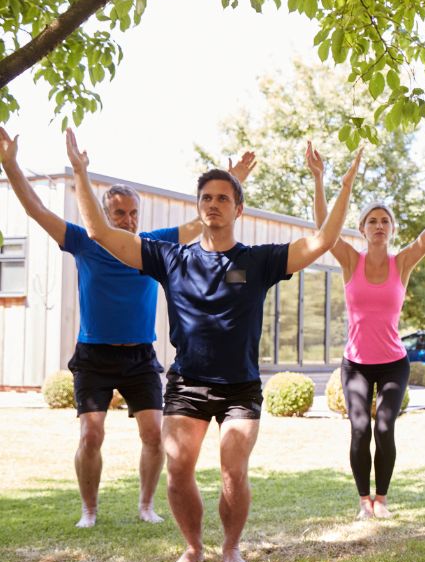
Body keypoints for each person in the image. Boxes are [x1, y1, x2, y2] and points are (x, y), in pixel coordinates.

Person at [67, 128, 359, 562]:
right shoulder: (170, 258)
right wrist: (81, 174)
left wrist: (342, 187)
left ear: (237, 208)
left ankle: (231, 547)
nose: (214, 204)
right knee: (179, 469)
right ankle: (193, 547)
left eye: (224, 198)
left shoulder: (258, 261)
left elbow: (320, 241)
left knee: (232, 472)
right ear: (199, 206)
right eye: (207, 197)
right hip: (188, 383)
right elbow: (101, 234)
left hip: (240, 386)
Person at [0, 124, 254, 528]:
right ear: (104, 212)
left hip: (140, 355)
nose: (129, 219)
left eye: (133, 212)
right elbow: (36, 209)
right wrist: (11, 164)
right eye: (120, 212)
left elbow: (201, 223)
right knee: (91, 435)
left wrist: (233, 181)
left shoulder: (152, 246)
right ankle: (90, 510)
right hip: (94, 355)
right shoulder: (85, 241)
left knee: (155, 436)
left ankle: (146, 505)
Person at [310, 142, 425, 520]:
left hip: (394, 363)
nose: (379, 225)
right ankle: (364, 502)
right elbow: (324, 228)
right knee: (360, 427)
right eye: (372, 220)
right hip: (356, 364)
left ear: (391, 229)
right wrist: (319, 179)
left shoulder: (402, 263)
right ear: (362, 228)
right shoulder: (349, 260)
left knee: (385, 426)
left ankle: (383, 499)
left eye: (385, 221)